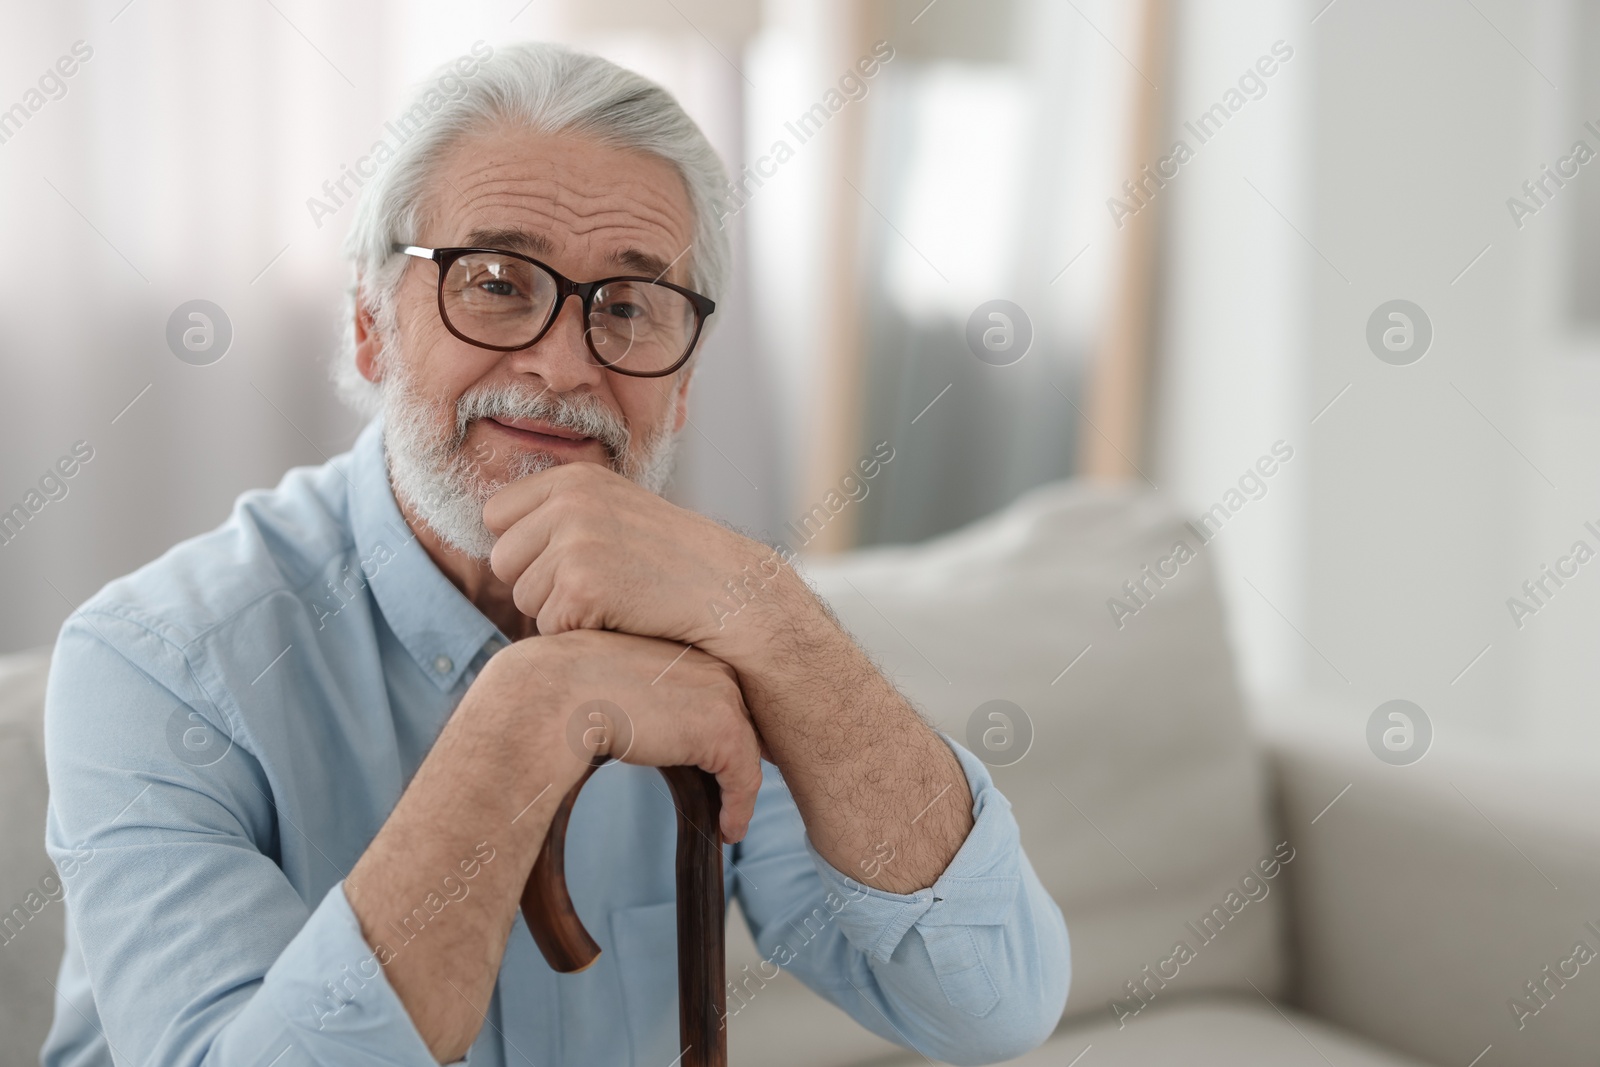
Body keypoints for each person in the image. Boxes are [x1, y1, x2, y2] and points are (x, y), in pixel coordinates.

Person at [41, 41, 1068, 1067]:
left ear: (685, 386)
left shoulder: (717, 616)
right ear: (369, 325)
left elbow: (990, 1005)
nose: (563, 364)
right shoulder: (151, 662)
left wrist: (773, 614)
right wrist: (529, 714)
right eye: (494, 283)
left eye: (626, 306)